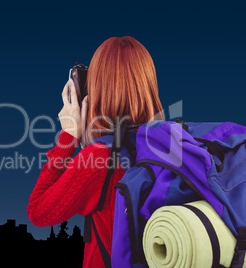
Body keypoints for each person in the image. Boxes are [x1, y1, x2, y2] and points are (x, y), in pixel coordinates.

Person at [27, 36, 165, 268]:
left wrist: (68, 137)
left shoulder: (99, 161)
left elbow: (38, 211)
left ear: (97, 88)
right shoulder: (168, 145)